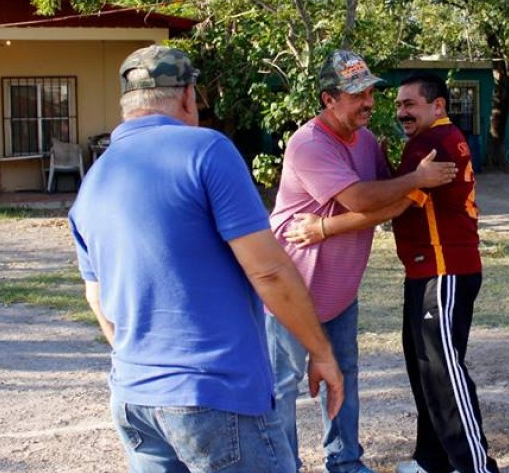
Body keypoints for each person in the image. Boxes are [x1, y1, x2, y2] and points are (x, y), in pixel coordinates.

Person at [68, 45, 344, 473]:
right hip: (214, 394)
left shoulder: (95, 178)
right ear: (187, 96)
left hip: (134, 398)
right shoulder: (206, 149)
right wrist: (320, 352)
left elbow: (96, 297)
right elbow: (269, 271)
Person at [286, 73, 500, 473]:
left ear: (438, 106)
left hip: (444, 270)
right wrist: (392, 169)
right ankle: (431, 460)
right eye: (399, 104)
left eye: (410, 104)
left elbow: (396, 204)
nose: (401, 112)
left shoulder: (432, 144)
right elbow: (401, 192)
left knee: (444, 373)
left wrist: (323, 228)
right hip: (427, 270)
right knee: (426, 370)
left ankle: (475, 466)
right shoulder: (426, 141)